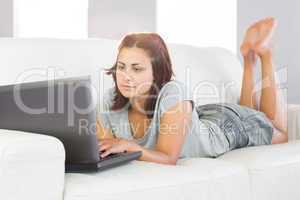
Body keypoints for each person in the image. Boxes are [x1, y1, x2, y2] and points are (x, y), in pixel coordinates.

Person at [96, 17, 288, 165]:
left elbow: (168, 157)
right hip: (203, 118)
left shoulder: (173, 93)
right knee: (250, 112)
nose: (125, 76)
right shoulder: (110, 100)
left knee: (276, 129)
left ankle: (264, 54)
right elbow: (108, 150)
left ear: (157, 72)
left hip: (228, 126)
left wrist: (130, 147)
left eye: (136, 69)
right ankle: (248, 60)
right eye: (121, 67)